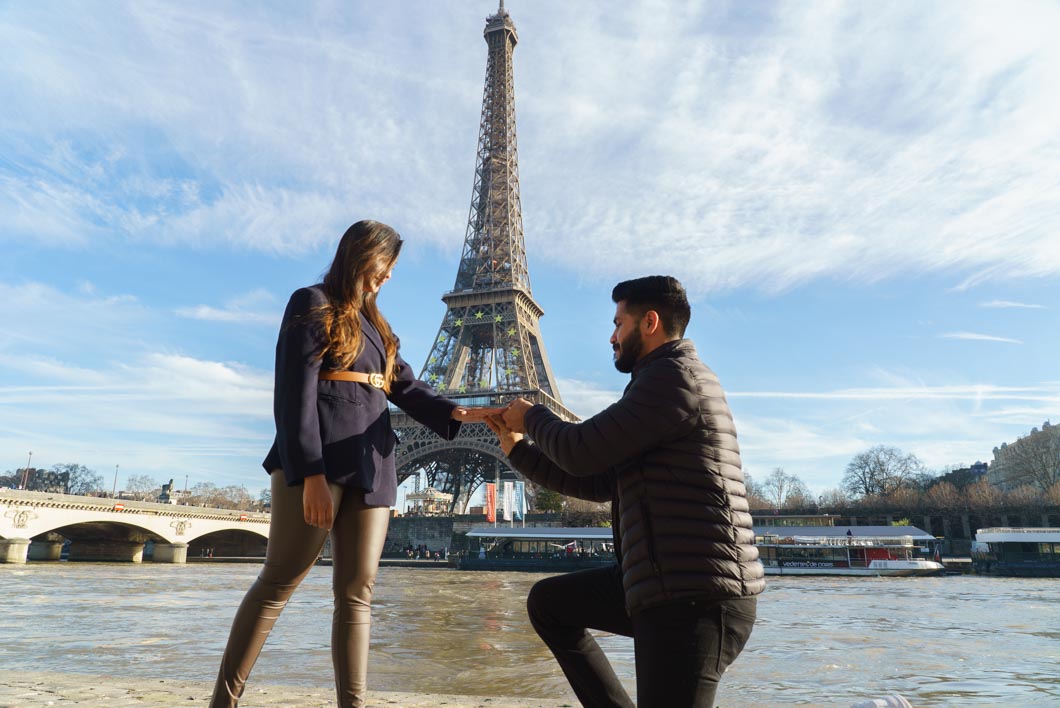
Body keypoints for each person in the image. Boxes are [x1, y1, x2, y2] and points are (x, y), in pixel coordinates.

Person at [211, 220, 500, 708]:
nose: (387, 277)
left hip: (373, 460)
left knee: (358, 590)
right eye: (383, 266)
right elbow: (292, 396)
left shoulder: (379, 326)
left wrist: (465, 413)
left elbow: (407, 387)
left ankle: (354, 705)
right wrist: (312, 476)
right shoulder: (312, 302)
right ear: (359, 255)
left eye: (391, 271)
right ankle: (224, 700)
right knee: (280, 579)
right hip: (320, 457)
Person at [485, 275, 765, 707]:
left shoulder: (674, 379)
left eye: (618, 323)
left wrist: (533, 416)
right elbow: (596, 482)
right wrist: (517, 449)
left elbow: (579, 451)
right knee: (550, 604)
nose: (612, 336)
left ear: (649, 322)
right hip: (663, 583)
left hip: (698, 596)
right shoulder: (659, 384)